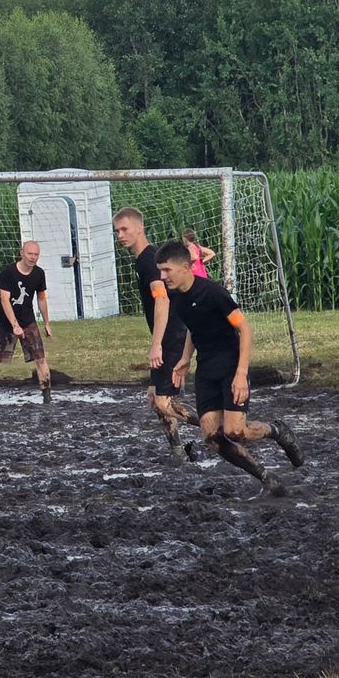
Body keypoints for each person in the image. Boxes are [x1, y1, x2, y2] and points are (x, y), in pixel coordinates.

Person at [156, 240, 304, 495]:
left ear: (185, 267)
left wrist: (241, 373)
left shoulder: (213, 292)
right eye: (160, 270)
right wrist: (185, 358)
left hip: (231, 365)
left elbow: (244, 329)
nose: (162, 276)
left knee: (235, 431)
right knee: (212, 437)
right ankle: (268, 480)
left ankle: (278, 431)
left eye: (167, 270)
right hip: (206, 369)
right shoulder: (176, 296)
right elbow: (194, 325)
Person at [113, 208, 201, 462]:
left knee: (164, 403)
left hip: (173, 335)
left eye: (125, 229)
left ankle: (215, 429)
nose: (120, 235)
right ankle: (178, 452)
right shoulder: (144, 259)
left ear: (140, 228)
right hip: (167, 335)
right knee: (156, 399)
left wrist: (156, 346)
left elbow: (161, 301)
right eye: (117, 231)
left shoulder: (148, 260)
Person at [0, 241, 53, 405]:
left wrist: (47, 322)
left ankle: (47, 398)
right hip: (6, 323)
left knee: (41, 359)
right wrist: (14, 324)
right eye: (30, 254)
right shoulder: (8, 272)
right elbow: (4, 300)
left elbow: (41, 298)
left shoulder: (39, 274)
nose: (33, 258)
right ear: (22, 253)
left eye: (36, 255)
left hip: (28, 321)